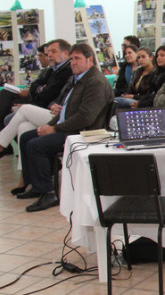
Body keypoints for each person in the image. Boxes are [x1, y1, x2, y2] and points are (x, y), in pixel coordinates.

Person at [18, 43, 112, 212]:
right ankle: (37, 186)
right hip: (68, 127)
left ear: (89, 60)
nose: (73, 63)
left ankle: (49, 193)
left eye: (77, 59)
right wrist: (49, 125)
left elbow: (86, 117)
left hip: (83, 133)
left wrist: (55, 129)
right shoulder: (79, 79)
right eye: (71, 59)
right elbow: (66, 110)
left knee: (36, 145)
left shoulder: (95, 82)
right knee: (26, 137)